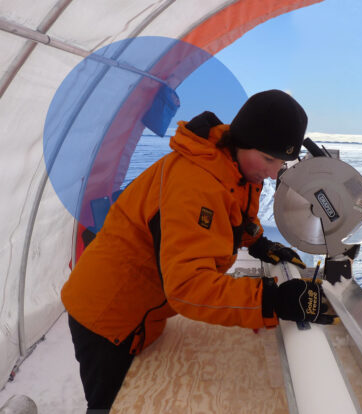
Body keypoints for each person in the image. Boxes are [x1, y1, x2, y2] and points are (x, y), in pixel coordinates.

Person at [61, 89, 335, 412]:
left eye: (282, 162)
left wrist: (258, 243)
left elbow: (233, 217)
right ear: (244, 140)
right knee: (112, 405)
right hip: (106, 314)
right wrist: (272, 300)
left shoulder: (237, 168)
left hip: (143, 309)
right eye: (269, 159)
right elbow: (187, 286)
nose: (274, 172)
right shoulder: (194, 182)